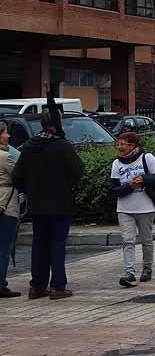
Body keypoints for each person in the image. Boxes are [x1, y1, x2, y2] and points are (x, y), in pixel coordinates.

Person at [11, 90, 84, 299]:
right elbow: (78, 171)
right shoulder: (61, 146)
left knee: (39, 243)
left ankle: (37, 286)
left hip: (37, 204)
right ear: (55, 125)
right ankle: (57, 286)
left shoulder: (29, 146)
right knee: (58, 243)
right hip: (60, 204)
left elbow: (17, 177)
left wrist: (32, 188)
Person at [110, 132, 155, 287]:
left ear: (132, 146)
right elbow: (114, 189)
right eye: (118, 144)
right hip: (124, 208)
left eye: (122, 144)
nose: (119, 147)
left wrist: (144, 179)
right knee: (128, 240)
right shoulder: (117, 163)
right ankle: (129, 273)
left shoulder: (146, 158)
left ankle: (147, 268)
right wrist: (129, 186)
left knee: (146, 240)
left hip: (145, 207)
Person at [0, 121, 21, 298]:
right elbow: (19, 176)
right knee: (3, 248)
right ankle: (1, 284)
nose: (8, 136)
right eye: (5, 133)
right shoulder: (5, 157)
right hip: (5, 207)